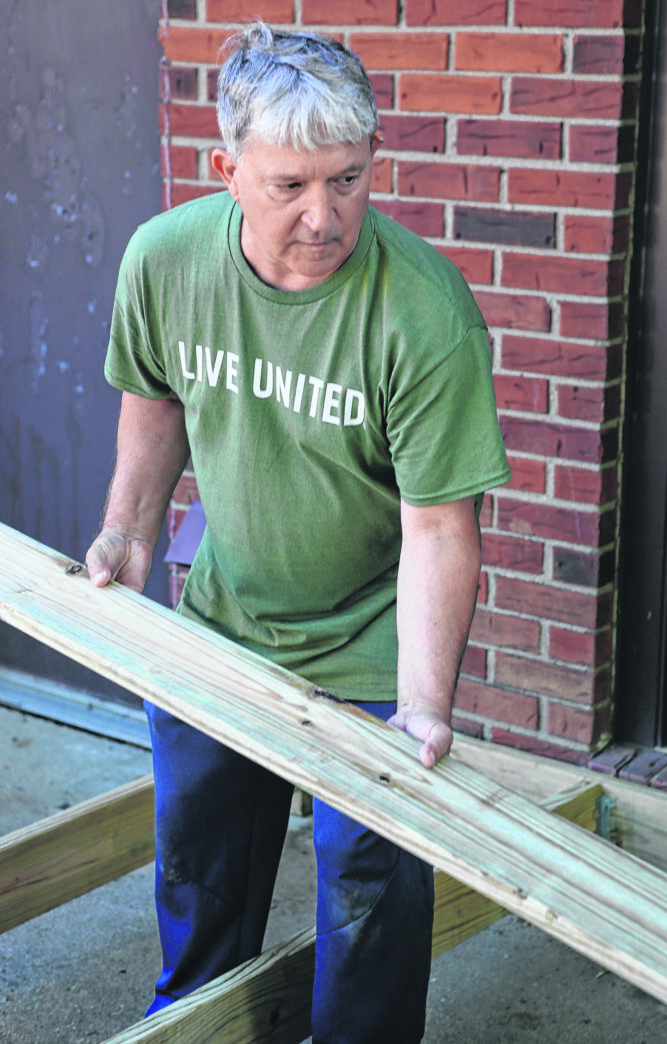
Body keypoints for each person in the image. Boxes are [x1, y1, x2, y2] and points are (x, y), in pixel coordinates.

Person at [86, 22, 510, 1043]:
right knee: (200, 866)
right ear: (228, 171)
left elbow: (439, 528)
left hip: (371, 645)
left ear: (374, 162)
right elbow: (156, 408)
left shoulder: (423, 311)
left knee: (370, 899)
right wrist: (125, 537)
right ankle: (197, 1025)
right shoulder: (165, 260)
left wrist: (421, 709)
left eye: (348, 180)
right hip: (224, 620)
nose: (325, 217)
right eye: (290, 186)